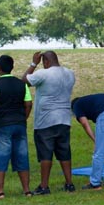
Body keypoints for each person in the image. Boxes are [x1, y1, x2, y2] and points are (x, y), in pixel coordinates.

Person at [23, 50, 76, 195]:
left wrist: (33, 63)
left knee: (46, 153)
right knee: (64, 151)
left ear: (45, 61)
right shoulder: (70, 73)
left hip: (46, 119)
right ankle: (69, 183)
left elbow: (24, 81)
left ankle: (44, 185)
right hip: (64, 118)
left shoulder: (43, 73)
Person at [0, 55, 32, 198]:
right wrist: (23, 117)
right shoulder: (22, 84)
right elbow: (29, 104)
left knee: (0, 156)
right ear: (12, 67)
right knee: (22, 156)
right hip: (19, 124)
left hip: (1, 125)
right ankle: (26, 190)